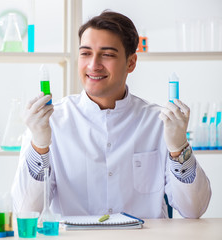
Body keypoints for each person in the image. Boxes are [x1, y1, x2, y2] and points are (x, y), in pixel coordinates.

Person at [11, 10, 211, 219]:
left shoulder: (158, 122)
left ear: (131, 63)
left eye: (107, 54)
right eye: (85, 53)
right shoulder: (50, 122)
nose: (93, 65)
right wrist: (39, 146)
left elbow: (194, 210)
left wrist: (179, 148)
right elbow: (26, 210)